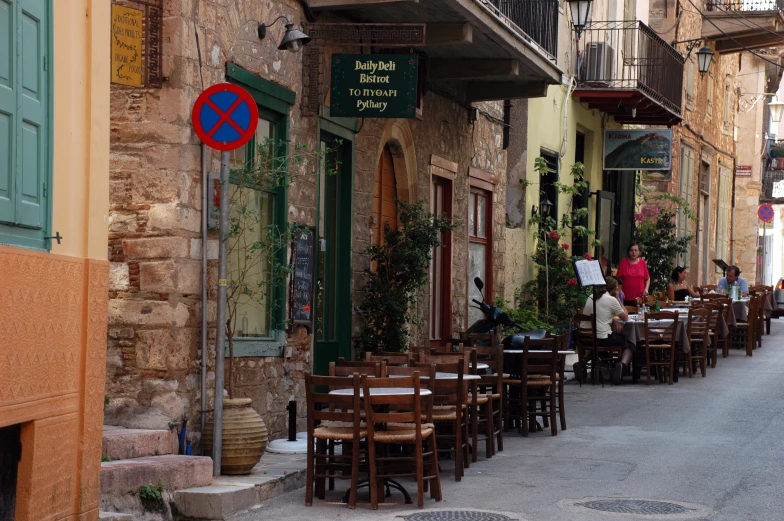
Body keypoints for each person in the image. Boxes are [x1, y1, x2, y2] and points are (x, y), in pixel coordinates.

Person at [581, 278, 634, 384]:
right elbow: (625, 317)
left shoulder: (591, 297)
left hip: (585, 337)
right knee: (630, 342)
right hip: (602, 338)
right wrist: (618, 299)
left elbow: (599, 314)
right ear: (615, 289)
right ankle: (622, 365)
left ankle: (582, 364)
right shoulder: (611, 300)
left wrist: (613, 320)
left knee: (596, 339)